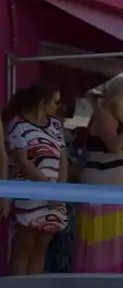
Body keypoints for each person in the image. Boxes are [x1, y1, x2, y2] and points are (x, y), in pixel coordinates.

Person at [72, 68, 123, 288]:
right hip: (101, 194)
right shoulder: (103, 115)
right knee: (100, 247)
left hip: (122, 194)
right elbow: (114, 146)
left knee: (120, 246)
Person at [4, 83, 68, 276]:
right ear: (42, 103)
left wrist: (60, 191)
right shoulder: (18, 124)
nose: (58, 107)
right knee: (25, 243)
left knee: (42, 243)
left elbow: (62, 160)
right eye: (55, 102)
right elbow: (23, 162)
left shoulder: (56, 126)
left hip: (53, 194)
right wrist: (47, 187)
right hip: (29, 192)